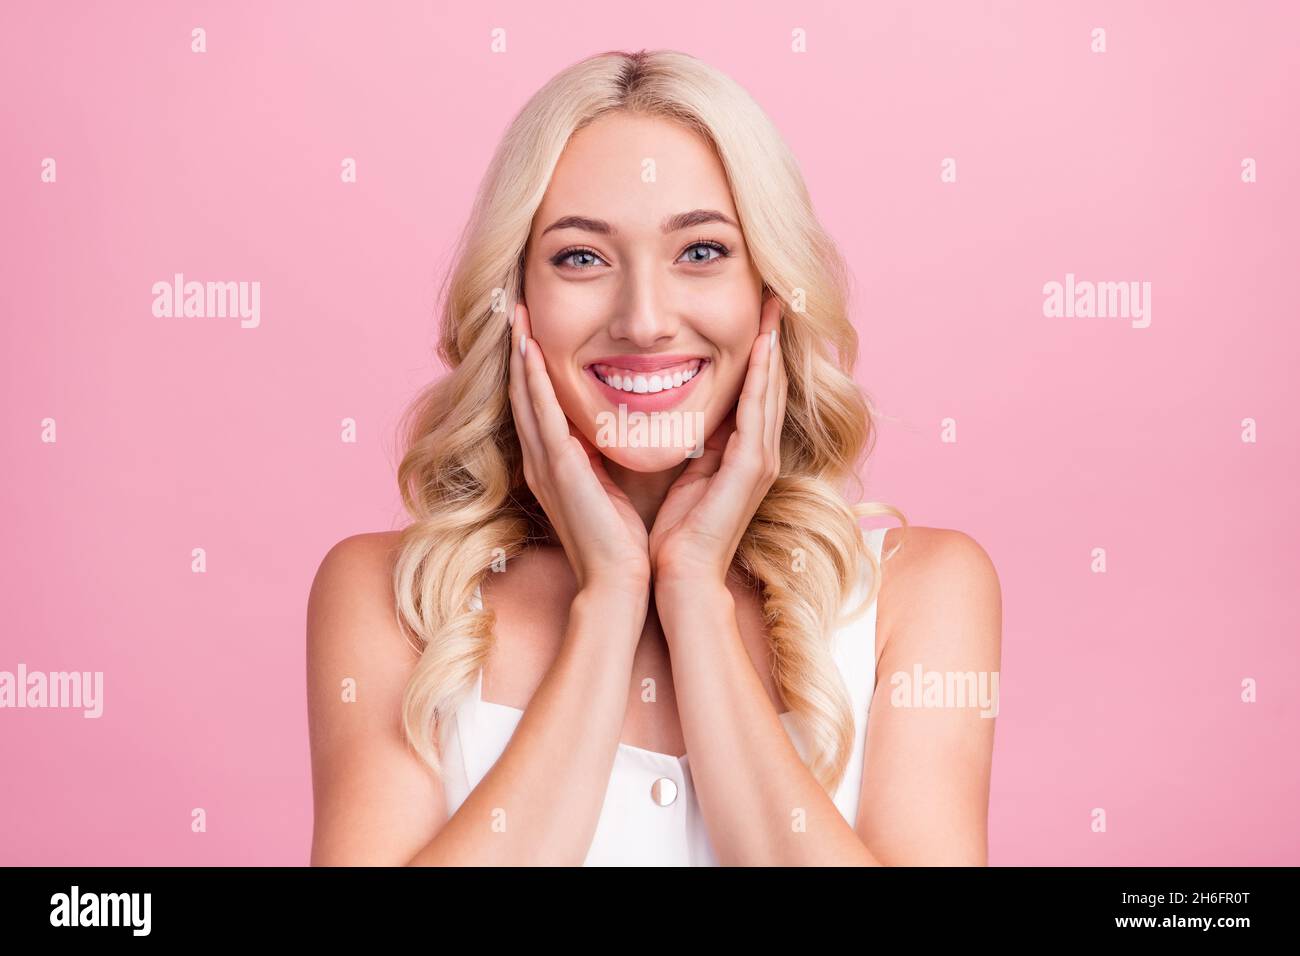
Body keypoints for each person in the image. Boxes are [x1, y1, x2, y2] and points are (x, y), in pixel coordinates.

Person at [307, 49, 1002, 866]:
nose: (643, 321)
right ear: (516, 302)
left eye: (702, 252)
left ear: (770, 292)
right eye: (581, 257)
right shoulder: (392, 599)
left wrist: (695, 596)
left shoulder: (918, 593)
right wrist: (608, 601)